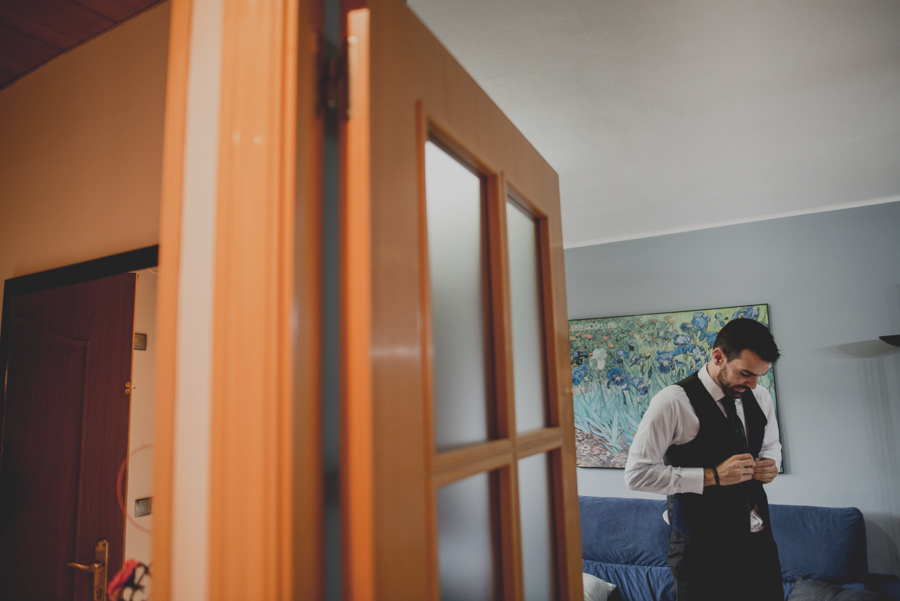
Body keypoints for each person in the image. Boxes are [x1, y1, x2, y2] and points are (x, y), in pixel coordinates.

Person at [624, 318, 784, 601]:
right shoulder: (673, 402)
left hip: (757, 542)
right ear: (718, 356)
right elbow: (637, 474)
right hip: (700, 551)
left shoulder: (759, 396)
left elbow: (772, 446)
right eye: (745, 373)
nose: (753, 383)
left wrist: (771, 464)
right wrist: (713, 475)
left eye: (760, 375)